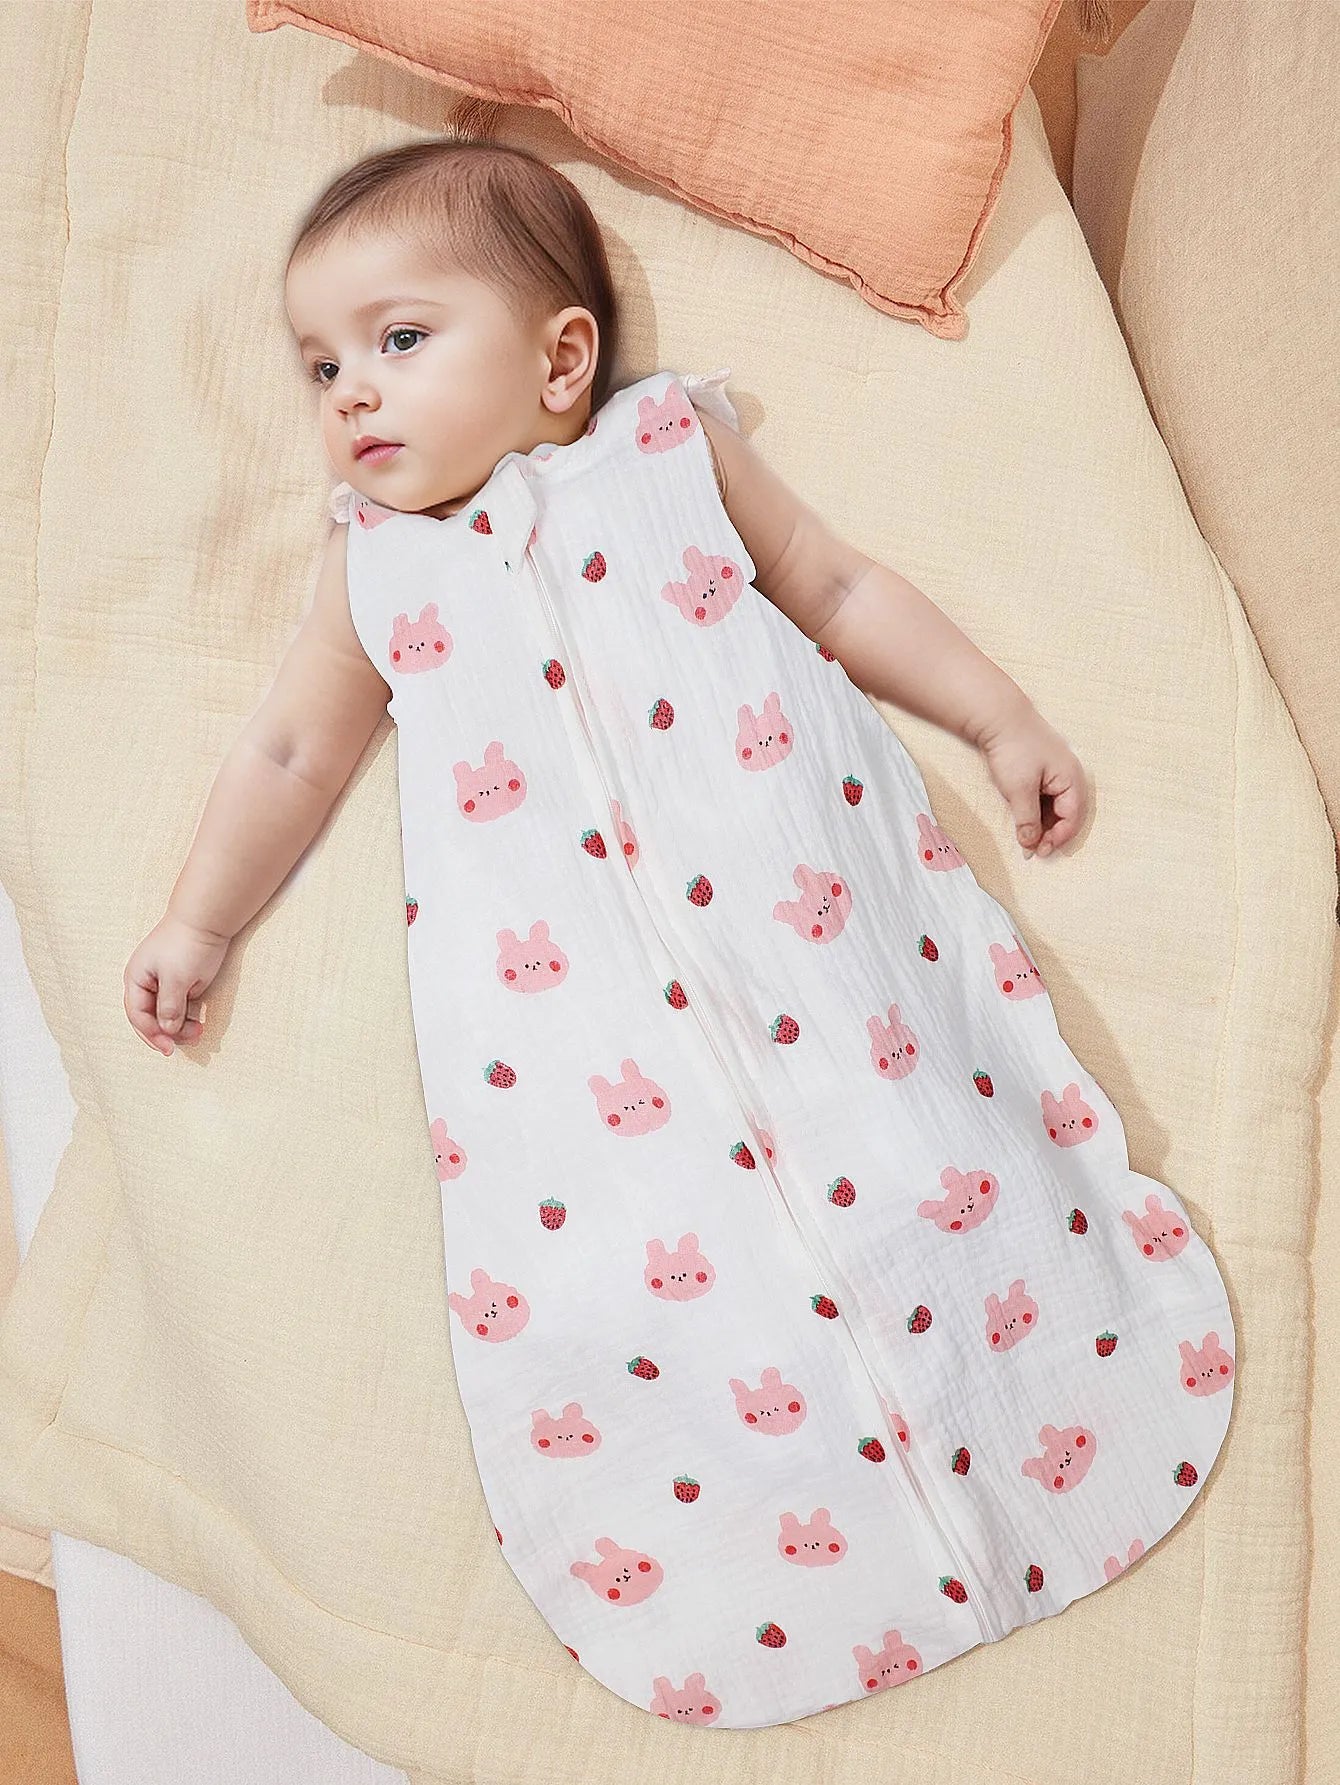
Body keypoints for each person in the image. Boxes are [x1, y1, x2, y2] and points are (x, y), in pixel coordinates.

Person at [121, 136, 1232, 1730]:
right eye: (320, 365)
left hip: (811, 949)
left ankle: (1037, 1393)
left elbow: (836, 589)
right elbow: (291, 752)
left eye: (399, 338)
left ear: (562, 357)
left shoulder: (667, 452)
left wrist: (999, 718)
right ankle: (769, 1534)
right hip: (586, 1032)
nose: (349, 393)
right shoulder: (377, 567)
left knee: (920, 1145)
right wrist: (199, 918)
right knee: (652, 1266)